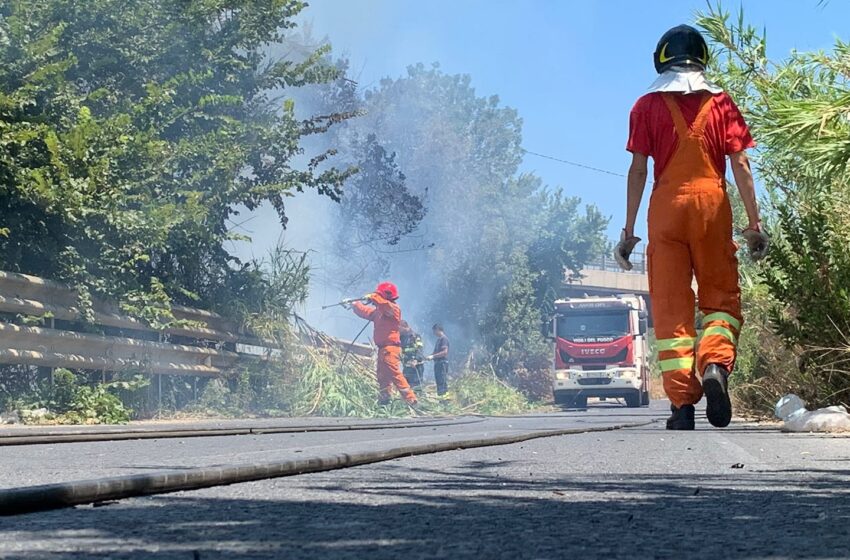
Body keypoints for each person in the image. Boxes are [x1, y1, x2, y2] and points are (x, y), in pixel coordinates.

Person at [616, 25, 769, 430]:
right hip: (711, 208)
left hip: (665, 209)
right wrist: (754, 223)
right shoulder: (721, 103)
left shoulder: (645, 105)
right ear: (702, 60)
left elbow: (637, 170)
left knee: (670, 310)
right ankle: (715, 363)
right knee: (719, 298)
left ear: (662, 60)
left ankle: (682, 407)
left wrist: (628, 232)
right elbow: (741, 165)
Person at [349, 282, 418, 406]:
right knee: (382, 376)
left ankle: (412, 400)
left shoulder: (393, 309)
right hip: (382, 349)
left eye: (379, 294)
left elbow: (385, 305)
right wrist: (355, 305)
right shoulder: (379, 312)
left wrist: (373, 296)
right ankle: (384, 401)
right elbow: (366, 312)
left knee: (395, 374)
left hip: (390, 349)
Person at [399, 320, 425, 390]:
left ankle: (419, 399)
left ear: (404, 327)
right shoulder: (402, 338)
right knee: (406, 387)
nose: (398, 330)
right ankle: (408, 400)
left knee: (416, 388)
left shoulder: (415, 336)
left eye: (399, 328)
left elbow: (420, 350)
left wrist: (416, 360)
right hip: (407, 367)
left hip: (416, 367)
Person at [425, 324, 450, 397]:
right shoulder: (439, 340)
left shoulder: (444, 339)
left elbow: (445, 352)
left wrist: (433, 356)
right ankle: (441, 398)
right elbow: (435, 352)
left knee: (442, 381)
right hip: (438, 363)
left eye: (434, 331)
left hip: (442, 363)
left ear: (438, 330)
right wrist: (429, 356)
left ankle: (444, 400)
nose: (434, 333)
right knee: (439, 381)